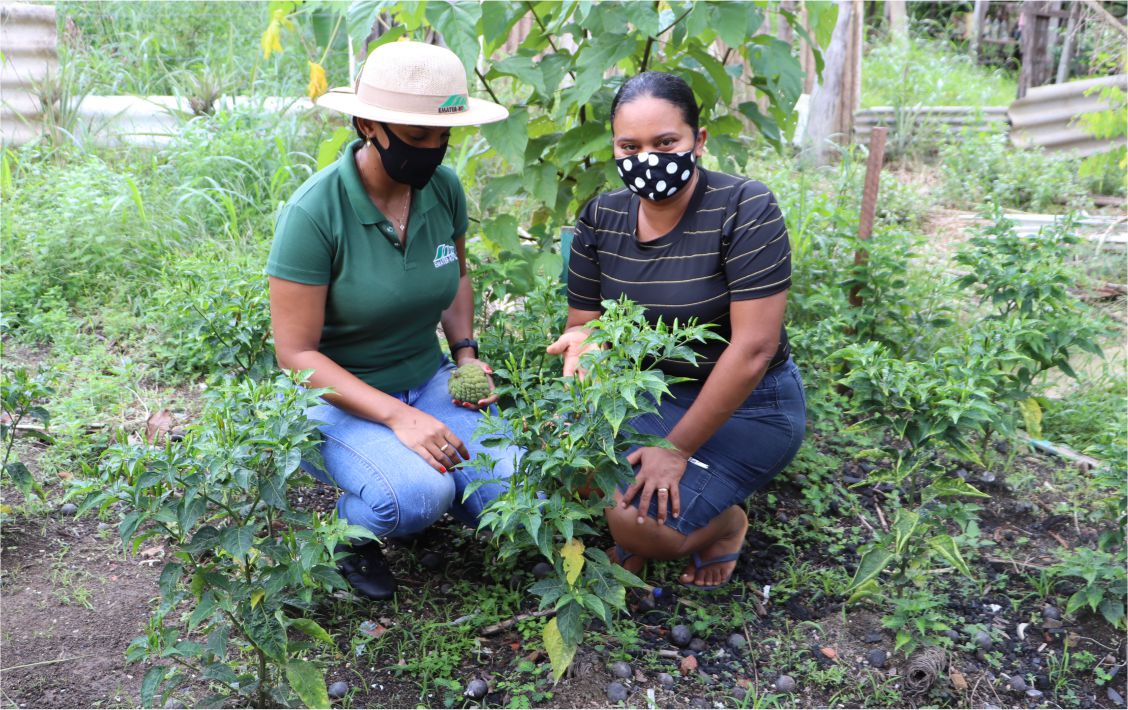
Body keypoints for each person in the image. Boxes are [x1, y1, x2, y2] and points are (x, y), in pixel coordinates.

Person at [267, 41, 519, 600]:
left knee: (506, 491)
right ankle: (347, 534)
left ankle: (432, 493)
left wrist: (467, 357)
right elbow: (295, 354)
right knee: (412, 497)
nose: (432, 151)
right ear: (368, 125)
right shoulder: (315, 213)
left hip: (425, 378)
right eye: (416, 137)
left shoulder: (442, 188)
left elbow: (453, 276)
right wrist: (398, 419)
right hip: (335, 398)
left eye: (442, 137)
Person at [547, 72, 806, 590]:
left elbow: (754, 348)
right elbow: (585, 323)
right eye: (630, 146)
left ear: (698, 141)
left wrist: (675, 449)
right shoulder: (602, 216)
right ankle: (674, 496)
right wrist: (584, 342)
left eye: (666, 142)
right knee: (569, 469)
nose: (648, 158)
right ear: (615, 149)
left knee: (639, 526)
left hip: (750, 402)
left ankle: (727, 524)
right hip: (647, 392)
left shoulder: (744, 208)